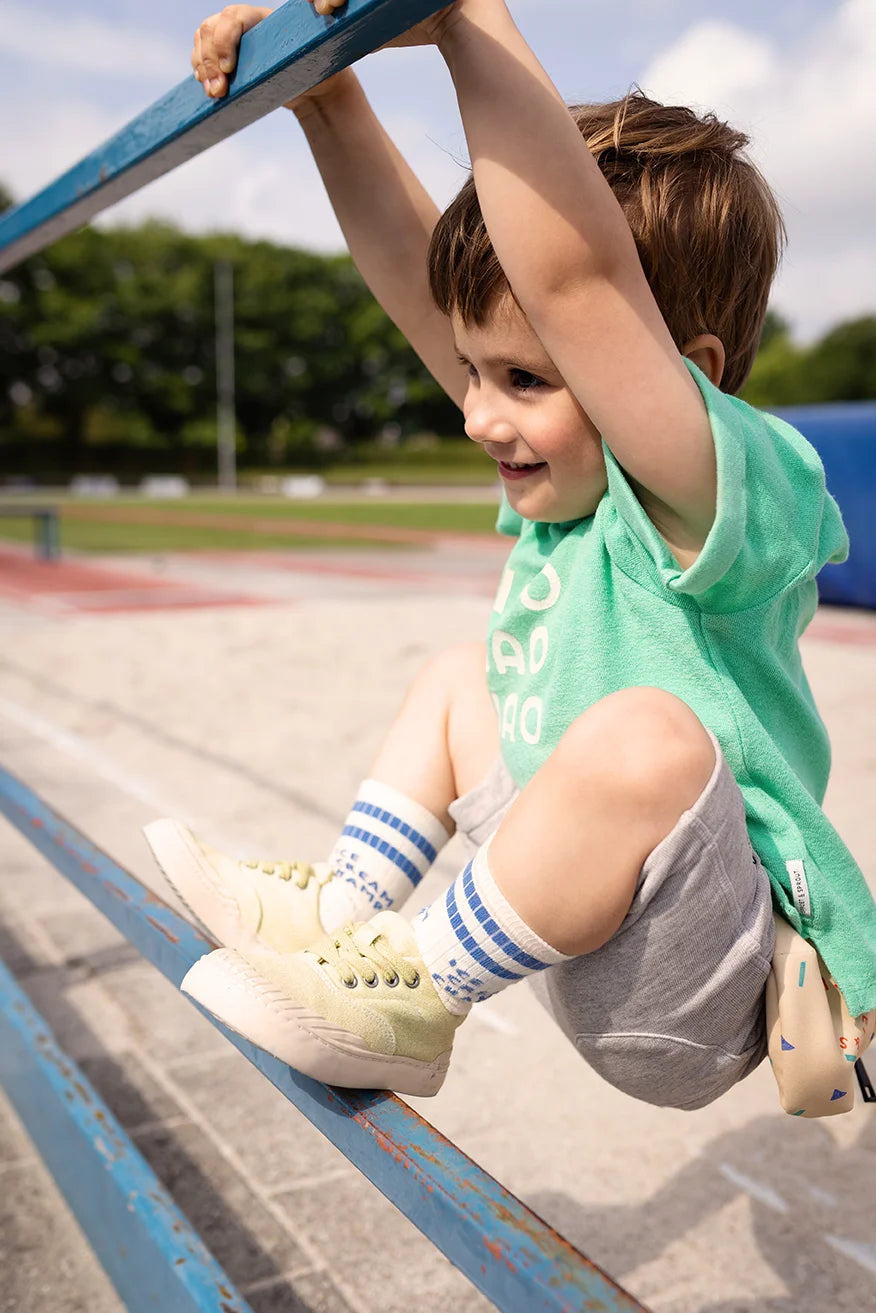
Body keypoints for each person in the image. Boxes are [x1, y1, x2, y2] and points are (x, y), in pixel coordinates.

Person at [145, 0, 876, 1107]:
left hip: (697, 980)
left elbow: (579, 287)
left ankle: (412, 1001)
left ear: (690, 370)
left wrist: (466, 19)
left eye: (524, 378)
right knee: (456, 678)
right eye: (477, 373)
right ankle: (346, 905)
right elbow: (417, 273)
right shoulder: (565, 475)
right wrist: (328, 96)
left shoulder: (716, 489)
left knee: (647, 734)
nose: (481, 414)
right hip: (560, 908)